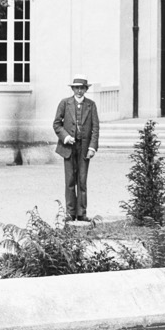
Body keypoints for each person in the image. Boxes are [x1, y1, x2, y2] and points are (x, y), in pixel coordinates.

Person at [52, 76, 100, 222]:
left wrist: (92, 147)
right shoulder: (65, 103)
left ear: (86, 89)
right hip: (69, 147)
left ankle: (82, 213)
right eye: (76, 88)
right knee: (70, 180)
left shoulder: (91, 105)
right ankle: (70, 213)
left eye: (82, 88)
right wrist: (66, 137)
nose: (79, 91)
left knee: (82, 180)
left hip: (84, 148)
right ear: (72, 89)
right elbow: (56, 124)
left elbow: (95, 128)